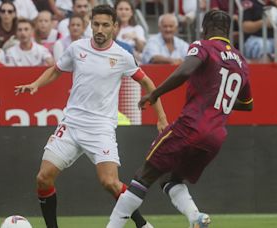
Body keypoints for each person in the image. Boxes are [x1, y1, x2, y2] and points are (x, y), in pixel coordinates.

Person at [14, 4, 168, 228]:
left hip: (100, 128)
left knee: (110, 183)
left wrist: (161, 117)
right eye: (96, 24)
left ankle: (143, 225)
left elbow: (147, 82)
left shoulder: (122, 56)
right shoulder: (77, 48)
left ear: (114, 27)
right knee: (43, 178)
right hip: (71, 124)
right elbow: (57, 70)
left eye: (105, 25)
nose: (100, 29)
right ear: (90, 24)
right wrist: (36, 84)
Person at [107, 10, 253, 228]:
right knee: (171, 181)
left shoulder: (203, 46)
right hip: (215, 137)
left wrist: (155, 93)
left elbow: (185, 71)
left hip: (190, 127)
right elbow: (248, 104)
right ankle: (195, 217)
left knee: (143, 176)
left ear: (205, 28)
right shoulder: (241, 62)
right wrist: (216, 100)